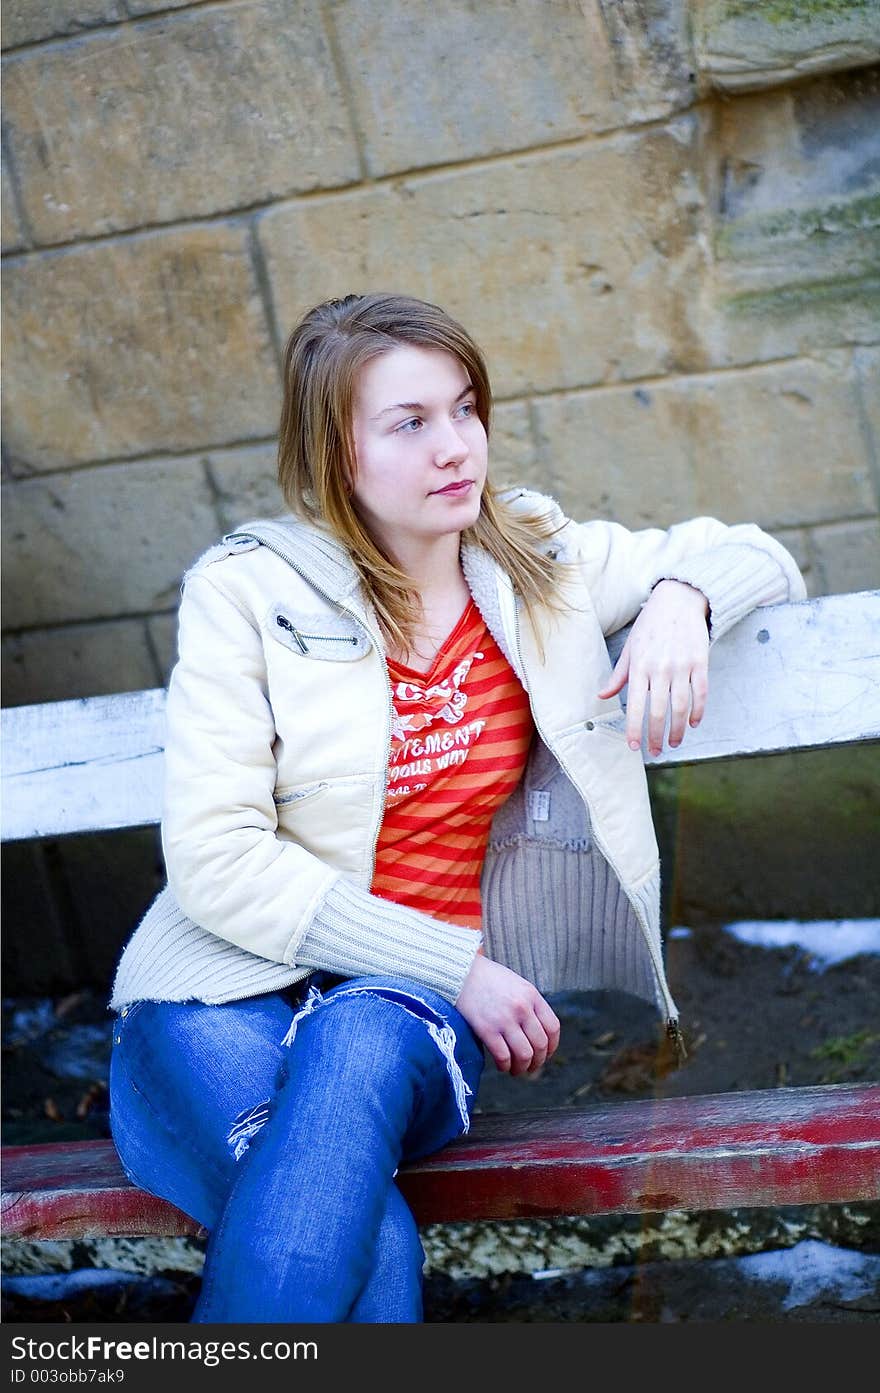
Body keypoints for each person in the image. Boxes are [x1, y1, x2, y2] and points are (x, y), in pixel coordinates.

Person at [108, 291, 806, 1323]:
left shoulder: (534, 563)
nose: (456, 447)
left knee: (354, 1052)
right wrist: (461, 967)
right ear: (335, 454)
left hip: (400, 1012)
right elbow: (216, 863)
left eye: (466, 408)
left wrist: (680, 599)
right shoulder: (247, 594)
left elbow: (758, 552)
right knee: (371, 1244)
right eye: (410, 422)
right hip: (220, 989)